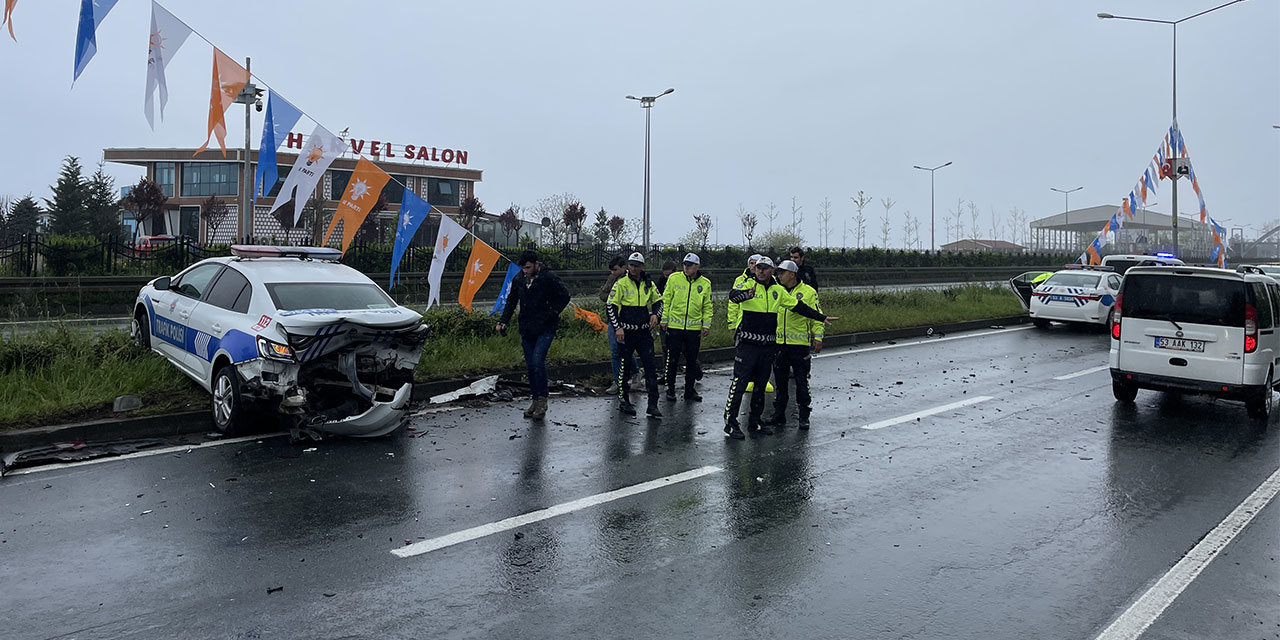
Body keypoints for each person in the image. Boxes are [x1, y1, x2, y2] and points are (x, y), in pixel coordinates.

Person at [723, 256, 836, 439]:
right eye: (758, 268)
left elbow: (798, 307)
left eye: (765, 268)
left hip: (768, 345)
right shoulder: (748, 284)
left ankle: (755, 421)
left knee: (761, 384)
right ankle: (731, 422)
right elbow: (732, 296)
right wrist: (747, 295)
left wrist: (821, 318)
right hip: (748, 345)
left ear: (771, 271)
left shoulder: (778, 290)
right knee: (740, 382)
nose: (760, 271)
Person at [496, 250, 571, 421]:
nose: (526, 271)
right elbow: (511, 300)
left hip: (546, 328)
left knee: (538, 361)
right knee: (530, 366)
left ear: (536, 264)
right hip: (527, 327)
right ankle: (535, 399)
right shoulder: (519, 279)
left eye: (529, 267)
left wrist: (551, 313)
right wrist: (503, 320)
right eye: (523, 268)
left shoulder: (549, 278)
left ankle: (543, 399)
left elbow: (565, 296)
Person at [767, 260, 823, 430]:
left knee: (801, 382)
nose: (778, 276)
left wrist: (818, 337)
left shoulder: (808, 292)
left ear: (792, 274)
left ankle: (804, 415)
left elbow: (816, 315)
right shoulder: (776, 290)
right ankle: (779, 415)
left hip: (799, 345)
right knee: (780, 382)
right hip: (780, 344)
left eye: (781, 273)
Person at [606, 252, 664, 418]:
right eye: (631, 265)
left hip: (644, 332)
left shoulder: (648, 283)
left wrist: (656, 315)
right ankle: (624, 401)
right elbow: (611, 307)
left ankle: (653, 404)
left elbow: (660, 302)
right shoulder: (621, 283)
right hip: (626, 332)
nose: (633, 268)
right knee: (624, 368)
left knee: (650, 368)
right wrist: (617, 328)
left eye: (636, 265)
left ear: (642, 267)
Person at [661, 253, 712, 402]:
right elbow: (667, 299)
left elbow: (707, 305)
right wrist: (664, 320)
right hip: (675, 327)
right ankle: (670, 389)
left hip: (693, 329)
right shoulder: (674, 278)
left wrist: (706, 324)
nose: (686, 268)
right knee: (672, 360)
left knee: (691, 361)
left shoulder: (705, 283)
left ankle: (689, 390)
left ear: (697, 266)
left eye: (689, 265)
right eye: (685, 265)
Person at [599, 255, 637, 395]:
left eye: (615, 270)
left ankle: (635, 373)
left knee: (626, 349)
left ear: (623, 268)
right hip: (613, 318)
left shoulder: (631, 280)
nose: (613, 273)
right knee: (615, 351)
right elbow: (603, 295)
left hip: (627, 320)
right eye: (612, 271)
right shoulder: (612, 278)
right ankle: (617, 381)